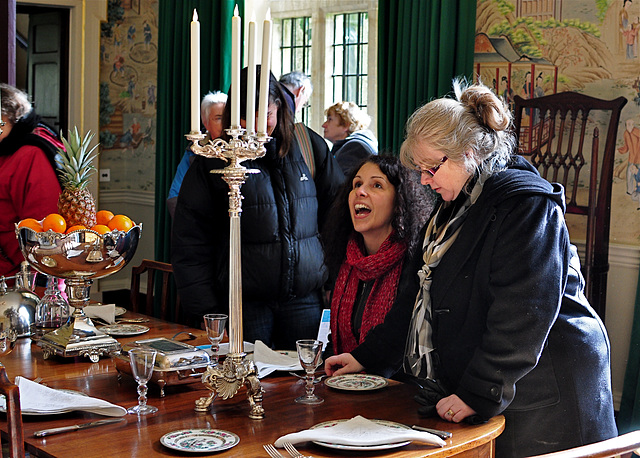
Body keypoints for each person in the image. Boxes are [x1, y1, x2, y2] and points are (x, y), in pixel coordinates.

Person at [399, 80, 617, 457]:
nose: (423, 180)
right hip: (513, 379)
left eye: (430, 168)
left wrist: (479, 389)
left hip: (550, 381)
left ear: (467, 153)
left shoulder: (525, 204)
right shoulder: (459, 202)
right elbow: (420, 290)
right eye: (419, 169)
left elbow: (522, 311)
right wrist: (370, 355)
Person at [172, 66, 345, 349]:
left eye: (264, 115)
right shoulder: (215, 160)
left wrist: (334, 284)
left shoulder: (308, 147)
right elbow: (190, 243)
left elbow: (337, 219)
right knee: (245, 384)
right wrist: (207, 312)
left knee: (306, 385)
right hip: (242, 305)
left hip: (305, 301)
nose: (255, 127)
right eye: (244, 118)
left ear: (279, 107)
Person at [322, 155, 432, 378]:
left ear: (399, 202)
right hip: (346, 385)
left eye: (377, 185)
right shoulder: (347, 259)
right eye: (357, 184)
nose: (361, 192)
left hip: (398, 391)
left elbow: (400, 333)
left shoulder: (415, 262)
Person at [0, 84, 62, 278]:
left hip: (22, 281)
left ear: (11, 116)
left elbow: (45, 231)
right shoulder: (6, 150)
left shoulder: (30, 156)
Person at [167, 91, 227, 217]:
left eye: (227, 117)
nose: (225, 123)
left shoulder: (241, 149)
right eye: (219, 118)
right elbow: (174, 197)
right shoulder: (194, 152)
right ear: (206, 123)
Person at [322, 101, 378, 176]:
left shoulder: (355, 147)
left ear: (346, 124)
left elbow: (342, 184)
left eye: (330, 119)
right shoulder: (351, 146)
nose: (324, 125)